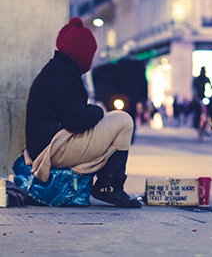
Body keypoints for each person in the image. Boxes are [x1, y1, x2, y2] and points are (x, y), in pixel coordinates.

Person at [20, 17, 141, 208]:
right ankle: (109, 186)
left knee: (115, 119)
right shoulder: (64, 74)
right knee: (123, 120)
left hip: (50, 143)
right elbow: (77, 121)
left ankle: (108, 184)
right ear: (82, 52)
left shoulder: (58, 69)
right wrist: (98, 110)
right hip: (51, 149)